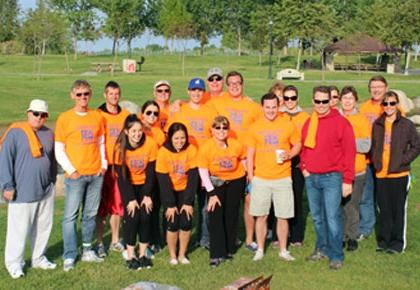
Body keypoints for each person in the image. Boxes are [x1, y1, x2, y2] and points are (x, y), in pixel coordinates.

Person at [0, 99, 57, 279]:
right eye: (36, 113)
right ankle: (14, 263)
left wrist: (53, 180)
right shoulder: (15, 132)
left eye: (43, 115)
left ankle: (38, 257)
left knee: (43, 227)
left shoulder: (49, 134)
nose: (39, 117)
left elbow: (52, 158)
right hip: (21, 192)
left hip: (45, 190)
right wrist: (7, 185)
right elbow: (5, 160)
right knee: (18, 230)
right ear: (28, 113)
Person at [301, 86, 355, 270]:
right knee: (317, 217)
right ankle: (321, 248)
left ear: (331, 101)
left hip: (332, 177)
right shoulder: (310, 122)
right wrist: (304, 167)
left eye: (325, 101)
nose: (321, 105)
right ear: (313, 100)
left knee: (332, 217)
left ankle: (336, 254)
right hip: (312, 177)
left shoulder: (341, 123)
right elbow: (304, 148)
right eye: (318, 101)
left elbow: (350, 153)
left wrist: (347, 180)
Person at [55, 80, 107, 271]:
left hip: (95, 174)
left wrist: (103, 165)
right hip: (75, 176)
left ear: (90, 95)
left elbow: (101, 142)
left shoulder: (97, 117)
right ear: (72, 95)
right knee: (70, 216)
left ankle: (87, 250)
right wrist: (72, 170)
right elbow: (59, 149)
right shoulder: (64, 118)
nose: (83, 97)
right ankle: (69, 254)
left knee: (90, 215)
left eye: (86, 94)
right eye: (79, 94)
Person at [208, 71, 262, 252]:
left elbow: (266, 122)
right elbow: (198, 104)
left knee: (248, 201)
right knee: (227, 204)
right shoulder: (218, 102)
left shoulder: (253, 106)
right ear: (226, 85)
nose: (234, 86)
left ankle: (248, 239)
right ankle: (226, 239)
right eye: (231, 83)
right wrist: (178, 103)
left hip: (248, 159)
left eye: (237, 83)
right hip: (226, 160)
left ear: (243, 84)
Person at [247, 93, 301, 262]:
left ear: (279, 106)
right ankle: (260, 249)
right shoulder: (254, 127)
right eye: (267, 107)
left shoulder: (287, 124)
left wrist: (290, 154)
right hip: (261, 178)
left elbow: (298, 143)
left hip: (283, 177)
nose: (271, 110)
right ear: (262, 107)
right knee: (260, 215)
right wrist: (251, 176)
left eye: (274, 107)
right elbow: (250, 153)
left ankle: (283, 250)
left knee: (283, 216)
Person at [168, 78, 217, 250]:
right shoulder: (180, 110)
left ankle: (204, 238)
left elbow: (215, 137)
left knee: (205, 205)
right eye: (193, 90)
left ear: (203, 93)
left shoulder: (210, 111)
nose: (196, 93)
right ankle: (175, 236)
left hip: (203, 165)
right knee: (183, 203)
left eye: (200, 90)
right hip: (184, 166)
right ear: (188, 91)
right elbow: (171, 135)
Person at [371, 91, 420, 254]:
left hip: (399, 174)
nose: (389, 107)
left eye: (392, 103)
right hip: (381, 174)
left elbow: (417, 146)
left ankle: (397, 243)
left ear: (397, 104)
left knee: (397, 209)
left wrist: (403, 160)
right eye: (385, 104)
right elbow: (374, 146)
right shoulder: (377, 124)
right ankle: (383, 241)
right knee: (383, 209)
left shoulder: (406, 124)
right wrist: (375, 161)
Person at [198, 116, 247, 267]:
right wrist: (211, 193)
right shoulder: (206, 147)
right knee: (215, 215)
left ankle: (228, 249)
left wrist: (246, 176)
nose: (221, 131)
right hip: (216, 184)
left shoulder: (235, 144)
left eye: (224, 127)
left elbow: (243, 159)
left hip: (235, 182)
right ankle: (216, 253)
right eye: (217, 127)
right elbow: (203, 172)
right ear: (212, 130)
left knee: (231, 215)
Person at [113, 114, 157, 269]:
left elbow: (151, 173)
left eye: (139, 130)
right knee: (132, 217)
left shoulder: (150, 144)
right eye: (133, 131)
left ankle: (144, 253)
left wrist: (146, 195)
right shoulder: (120, 148)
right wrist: (130, 199)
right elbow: (122, 177)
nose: (137, 134)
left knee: (145, 216)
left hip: (145, 185)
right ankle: (131, 254)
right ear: (126, 132)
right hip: (128, 186)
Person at [156, 123, 199, 265]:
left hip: (185, 189)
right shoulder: (163, 152)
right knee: (172, 222)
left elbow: (193, 177)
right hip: (170, 190)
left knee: (186, 222)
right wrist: (170, 204)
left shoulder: (191, 150)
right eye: (176, 139)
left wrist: (188, 202)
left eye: (182, 138)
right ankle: (173, 255)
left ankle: (182, 254)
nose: (180, 142)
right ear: (170, 138)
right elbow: (163, 180)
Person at [96, 81, 130, 258]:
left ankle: (115, 240)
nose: (114, 97)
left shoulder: (125, 115)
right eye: (110, 94)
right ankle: (100, 242)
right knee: (101, 207)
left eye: (117, 94)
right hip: (103, 166)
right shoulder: (98, 114)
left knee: (117, 205)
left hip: (119, 166)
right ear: (105, 95)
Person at [339, 86, 371, 251]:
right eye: (344, 98)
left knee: (352, 205)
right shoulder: (336, 117)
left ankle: (352, 236)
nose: (347, 101)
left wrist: (346, 144)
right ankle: (341, 236)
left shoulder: (361, 119)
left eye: (350, 98)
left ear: (355, 100)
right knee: (339, 205)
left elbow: (365, 145)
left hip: (357, 169)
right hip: (337, 170)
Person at [358, 75, 388, 240]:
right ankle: (366, 227)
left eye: (380, 87)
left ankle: (385, 226)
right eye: (373, 87)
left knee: (384, 196)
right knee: (366, 195)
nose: (376, 90)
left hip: (385, 160)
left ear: (386, 88)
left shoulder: (391, 106)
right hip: (367, 159)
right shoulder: (364, 108)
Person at [282, 85, 310, 247]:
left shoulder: (305, 117)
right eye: (286, 98)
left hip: (298, 161)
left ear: (297, 98)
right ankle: (279, 234)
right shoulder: (279, 114)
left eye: (293, 98)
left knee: (296, 198)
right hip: (281, 161)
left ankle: (296, 235)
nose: (290, 101)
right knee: (280, 199)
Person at [140, 100, 166, 255]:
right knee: (143, 210)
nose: (152, 115)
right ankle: (144, 241)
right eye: (149, 112)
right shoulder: (138, 129)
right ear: (142, 114)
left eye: (155, 113)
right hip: (139, 175)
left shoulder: (158, 133)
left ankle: (155, 239)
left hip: (155, 174)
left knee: (155, 208)